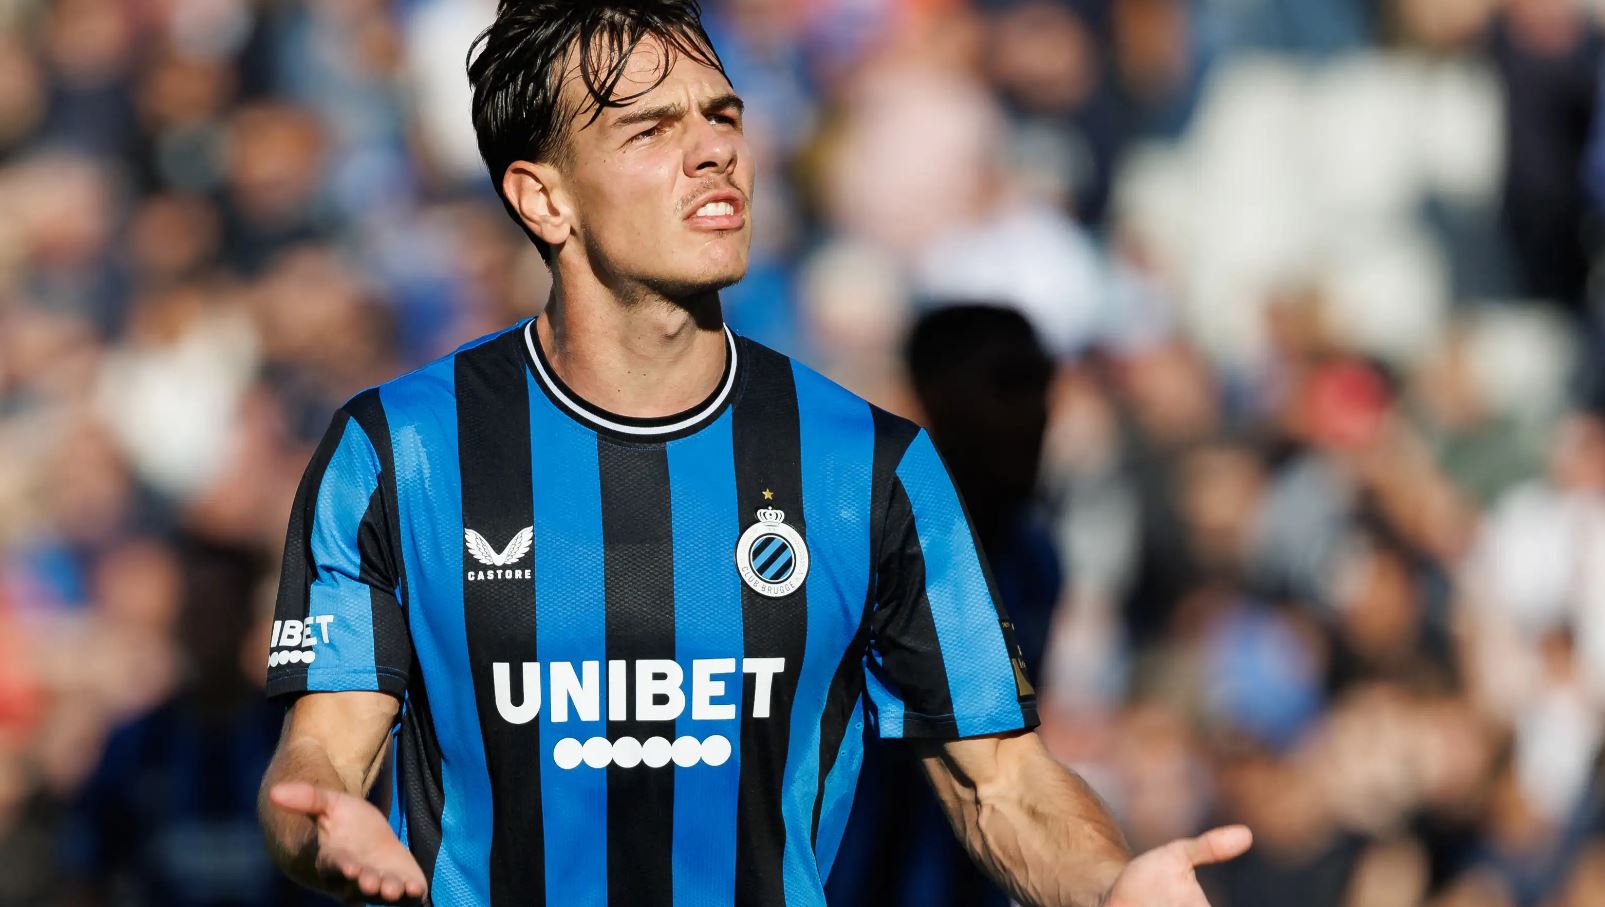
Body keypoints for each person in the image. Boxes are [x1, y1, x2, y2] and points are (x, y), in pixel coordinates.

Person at [255, 3, 1253, 906]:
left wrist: (1111, 884)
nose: (714, 152)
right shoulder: (398, 453)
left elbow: (1001, 782)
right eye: (650, 129)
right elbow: (324, 756)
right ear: (543, 199)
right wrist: (323, 828)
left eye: (722, 116)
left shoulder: (868, 467)